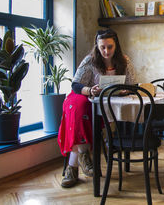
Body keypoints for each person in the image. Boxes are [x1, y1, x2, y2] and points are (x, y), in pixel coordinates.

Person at [58, 28, 137, 188]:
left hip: (108, 101)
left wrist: (124, 91)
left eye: (110, 47)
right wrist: (90, 90)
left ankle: (73, 166)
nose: (106, 51)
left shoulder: (125, 61)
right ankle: (81, 156)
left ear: (116, 46)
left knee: (85, 111)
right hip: (84, 96)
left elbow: (134, 85)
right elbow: (75, 84)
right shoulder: (90, 60)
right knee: (80, 108)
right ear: (97, 46)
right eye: (102, 47)